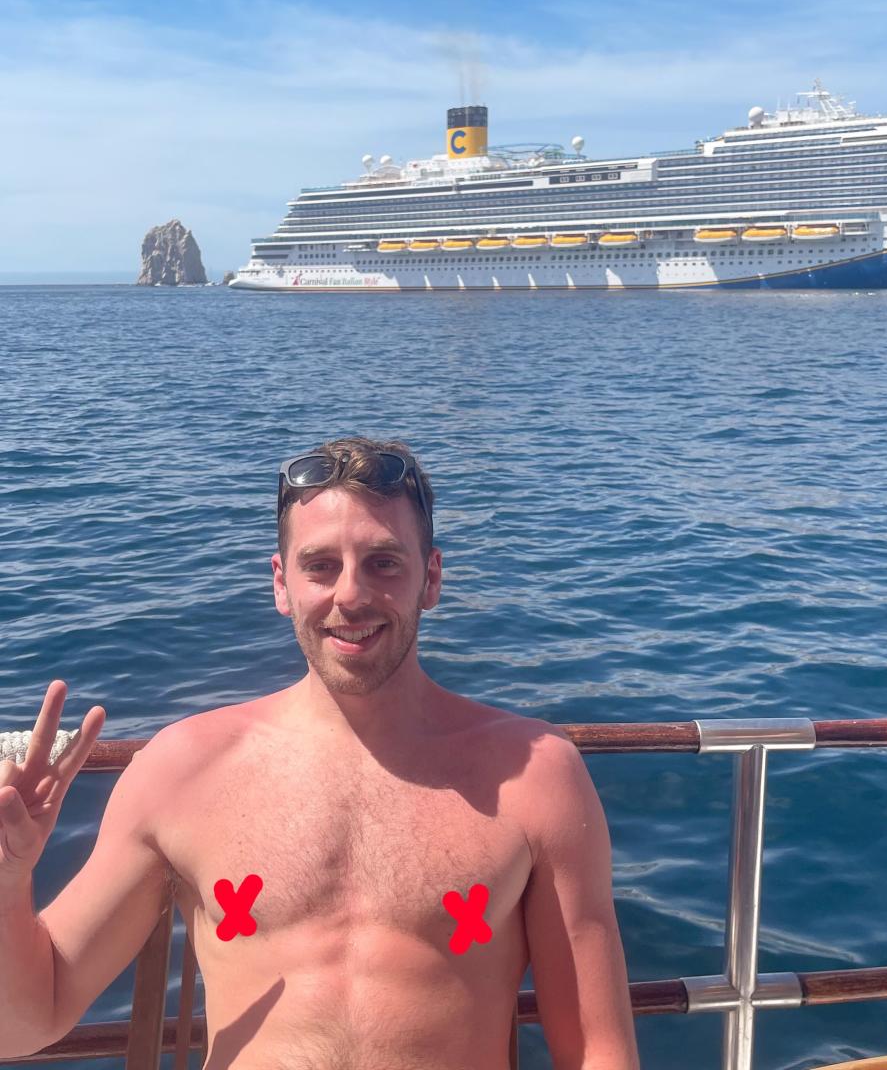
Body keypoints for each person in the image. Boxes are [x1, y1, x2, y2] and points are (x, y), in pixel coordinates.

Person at [0, 436, 641, 1069]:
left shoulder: (536, 776)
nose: (351, 596)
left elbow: (597, 1052)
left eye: (384, 563)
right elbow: (28, 1023)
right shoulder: (182, 770)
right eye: (320, 566)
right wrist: (7, 883)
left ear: (432, 577)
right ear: (282, 584)